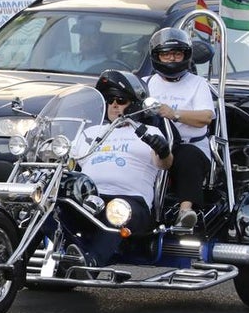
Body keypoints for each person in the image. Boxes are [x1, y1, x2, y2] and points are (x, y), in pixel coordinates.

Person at [73, 70, 173, 235]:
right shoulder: (91, 132)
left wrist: (162, 150)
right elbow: (70, 163)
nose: (113, 105)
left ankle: (90, 259)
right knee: (49, 207)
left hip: (129, 200)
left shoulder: (149, 131)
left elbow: (164, 164)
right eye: (109, 100)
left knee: (115, 213)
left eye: (120, 100)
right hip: (88, 197)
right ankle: (18, 256)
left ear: (134, 104)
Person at [144, 27, 215, 230]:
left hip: (188, 145)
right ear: (157, 56)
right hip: (152, 144)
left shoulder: (198, 84)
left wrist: (173, 113)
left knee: (187, 156)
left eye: (177, 54)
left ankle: (185, 212)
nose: (172, 59)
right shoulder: (146, 83)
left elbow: (206, 117)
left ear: (186, 55)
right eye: (166, 55)